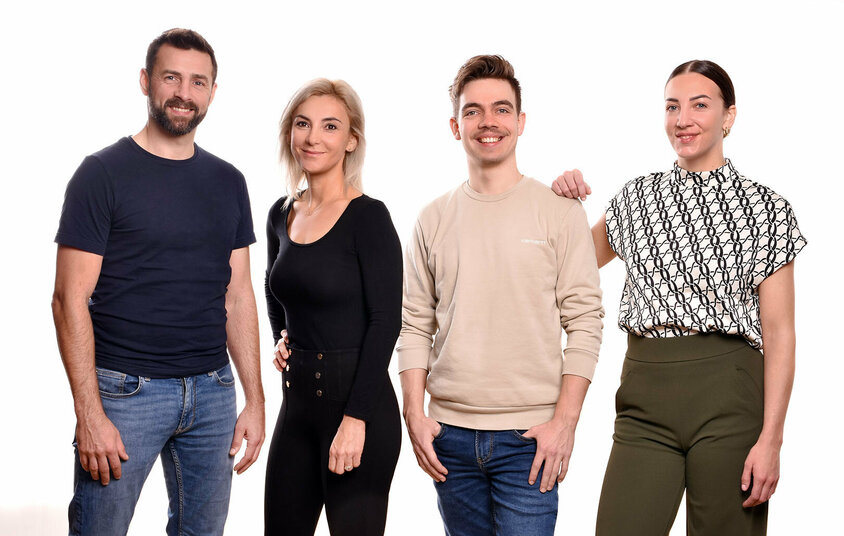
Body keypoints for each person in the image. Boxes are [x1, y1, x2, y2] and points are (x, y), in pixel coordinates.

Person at [553, 60, 805, 535]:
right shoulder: (636, 198)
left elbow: (779, 332)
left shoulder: (767, 208)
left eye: (699, 105)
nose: (682, 118)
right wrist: (561, 206)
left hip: (730, 393)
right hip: (645, 395)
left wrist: (772, 438)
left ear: (729, 116)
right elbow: (565, 267)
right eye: (672, 106)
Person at [51, 28, 265, 536]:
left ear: (213, 91)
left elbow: (238, 295)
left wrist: (254, 400)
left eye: (198, 82)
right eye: (172, 77)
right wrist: (90, 414)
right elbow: (67, 300)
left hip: (213, 393)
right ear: (146, 81)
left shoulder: (229, 181)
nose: (183, 93)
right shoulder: (101, 174)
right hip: (126, 393)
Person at [398, 55, 604, 536]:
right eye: (473, 111)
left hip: (530, 439)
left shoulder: (559, 210)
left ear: (520, 121)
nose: (488, 122)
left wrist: (565, 423)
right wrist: (414, 412)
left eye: (501, 110)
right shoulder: (432, 217)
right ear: (455, 125)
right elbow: (413, 324)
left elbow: (586, 322)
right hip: (449, 438)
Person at [264, 79, 403, 536]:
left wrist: (355, 419)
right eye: (303, 124)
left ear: (350, 140)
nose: (313, 137)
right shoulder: (281, 213)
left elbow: (386, 322)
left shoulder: (369, 217)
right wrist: (281, 337)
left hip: (359, 409)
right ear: (290, 133)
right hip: (297, 409)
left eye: (329, 126)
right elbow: (275, 288)